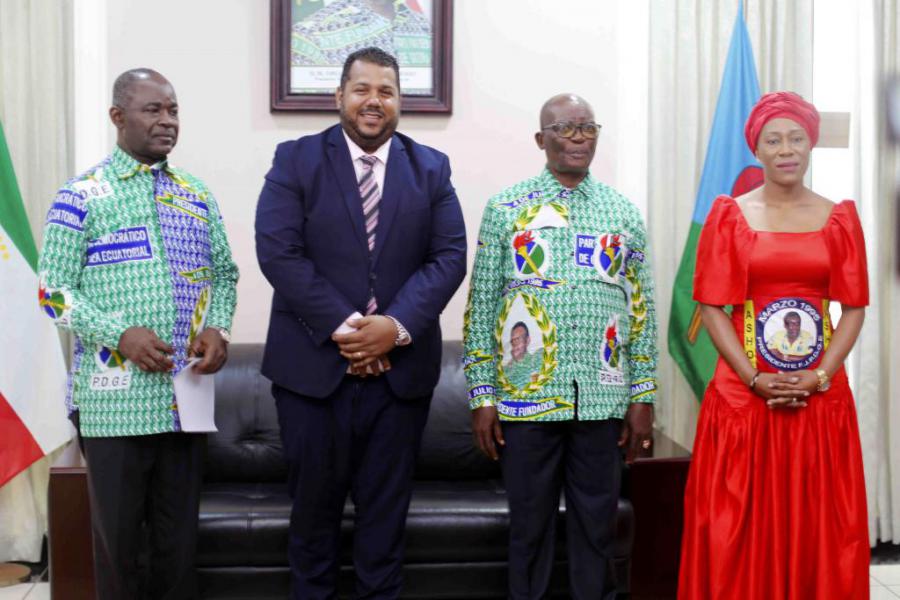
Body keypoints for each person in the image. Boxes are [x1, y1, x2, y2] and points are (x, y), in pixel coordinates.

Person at [255, 46, 466, 599]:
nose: (374, 101)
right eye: (362, 89)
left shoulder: (431, 168)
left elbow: (448, 258)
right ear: (339, 96)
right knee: (312, 526)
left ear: (400, 101)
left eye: (386, 91)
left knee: (385, 528)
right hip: (312, 378)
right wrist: (351, 328)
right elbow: (278, 252)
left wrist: (393, 328)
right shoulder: (295, 160)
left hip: (400, 381)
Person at [37, 68, 239, 599]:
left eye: (173, 110)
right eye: (153, 109)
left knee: (178, 548)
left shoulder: (196, 194)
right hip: (114, 404)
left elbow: (225, 274)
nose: (167, 121)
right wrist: (119, 334)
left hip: (184, 402)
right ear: (117, 116)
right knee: (121, 549)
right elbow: (52, 292)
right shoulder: (82, 195)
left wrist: (218, 327)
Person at [463, 93, 658, 599]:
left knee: (597, 531)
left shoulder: (623, 213)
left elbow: (642, 311)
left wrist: (643, 396)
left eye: (587, 127)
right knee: (529, 531)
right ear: (540, 139)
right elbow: (481, 308)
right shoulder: (506, 209)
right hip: (526, 398)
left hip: (602, 399)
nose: (578, 137)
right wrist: (483, 396)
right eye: (565, 128)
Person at [678, 92, 870, 599]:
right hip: (744, 397)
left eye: (796, 138)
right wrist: (753, 377)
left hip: (818, 397)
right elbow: (712, 307)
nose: (786, 149)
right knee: (735, 527)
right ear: (757, 149)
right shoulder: (729, 216)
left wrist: (820, 376)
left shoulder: (840, 218)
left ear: (811, 144)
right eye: (774, 140)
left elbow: (853, 309)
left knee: (819, 524)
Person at [504, 321, 543, 388]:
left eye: (518, 339)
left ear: (527, 340)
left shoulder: (537, 357)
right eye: (512, 341)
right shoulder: (506, 370)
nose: (515, 344)